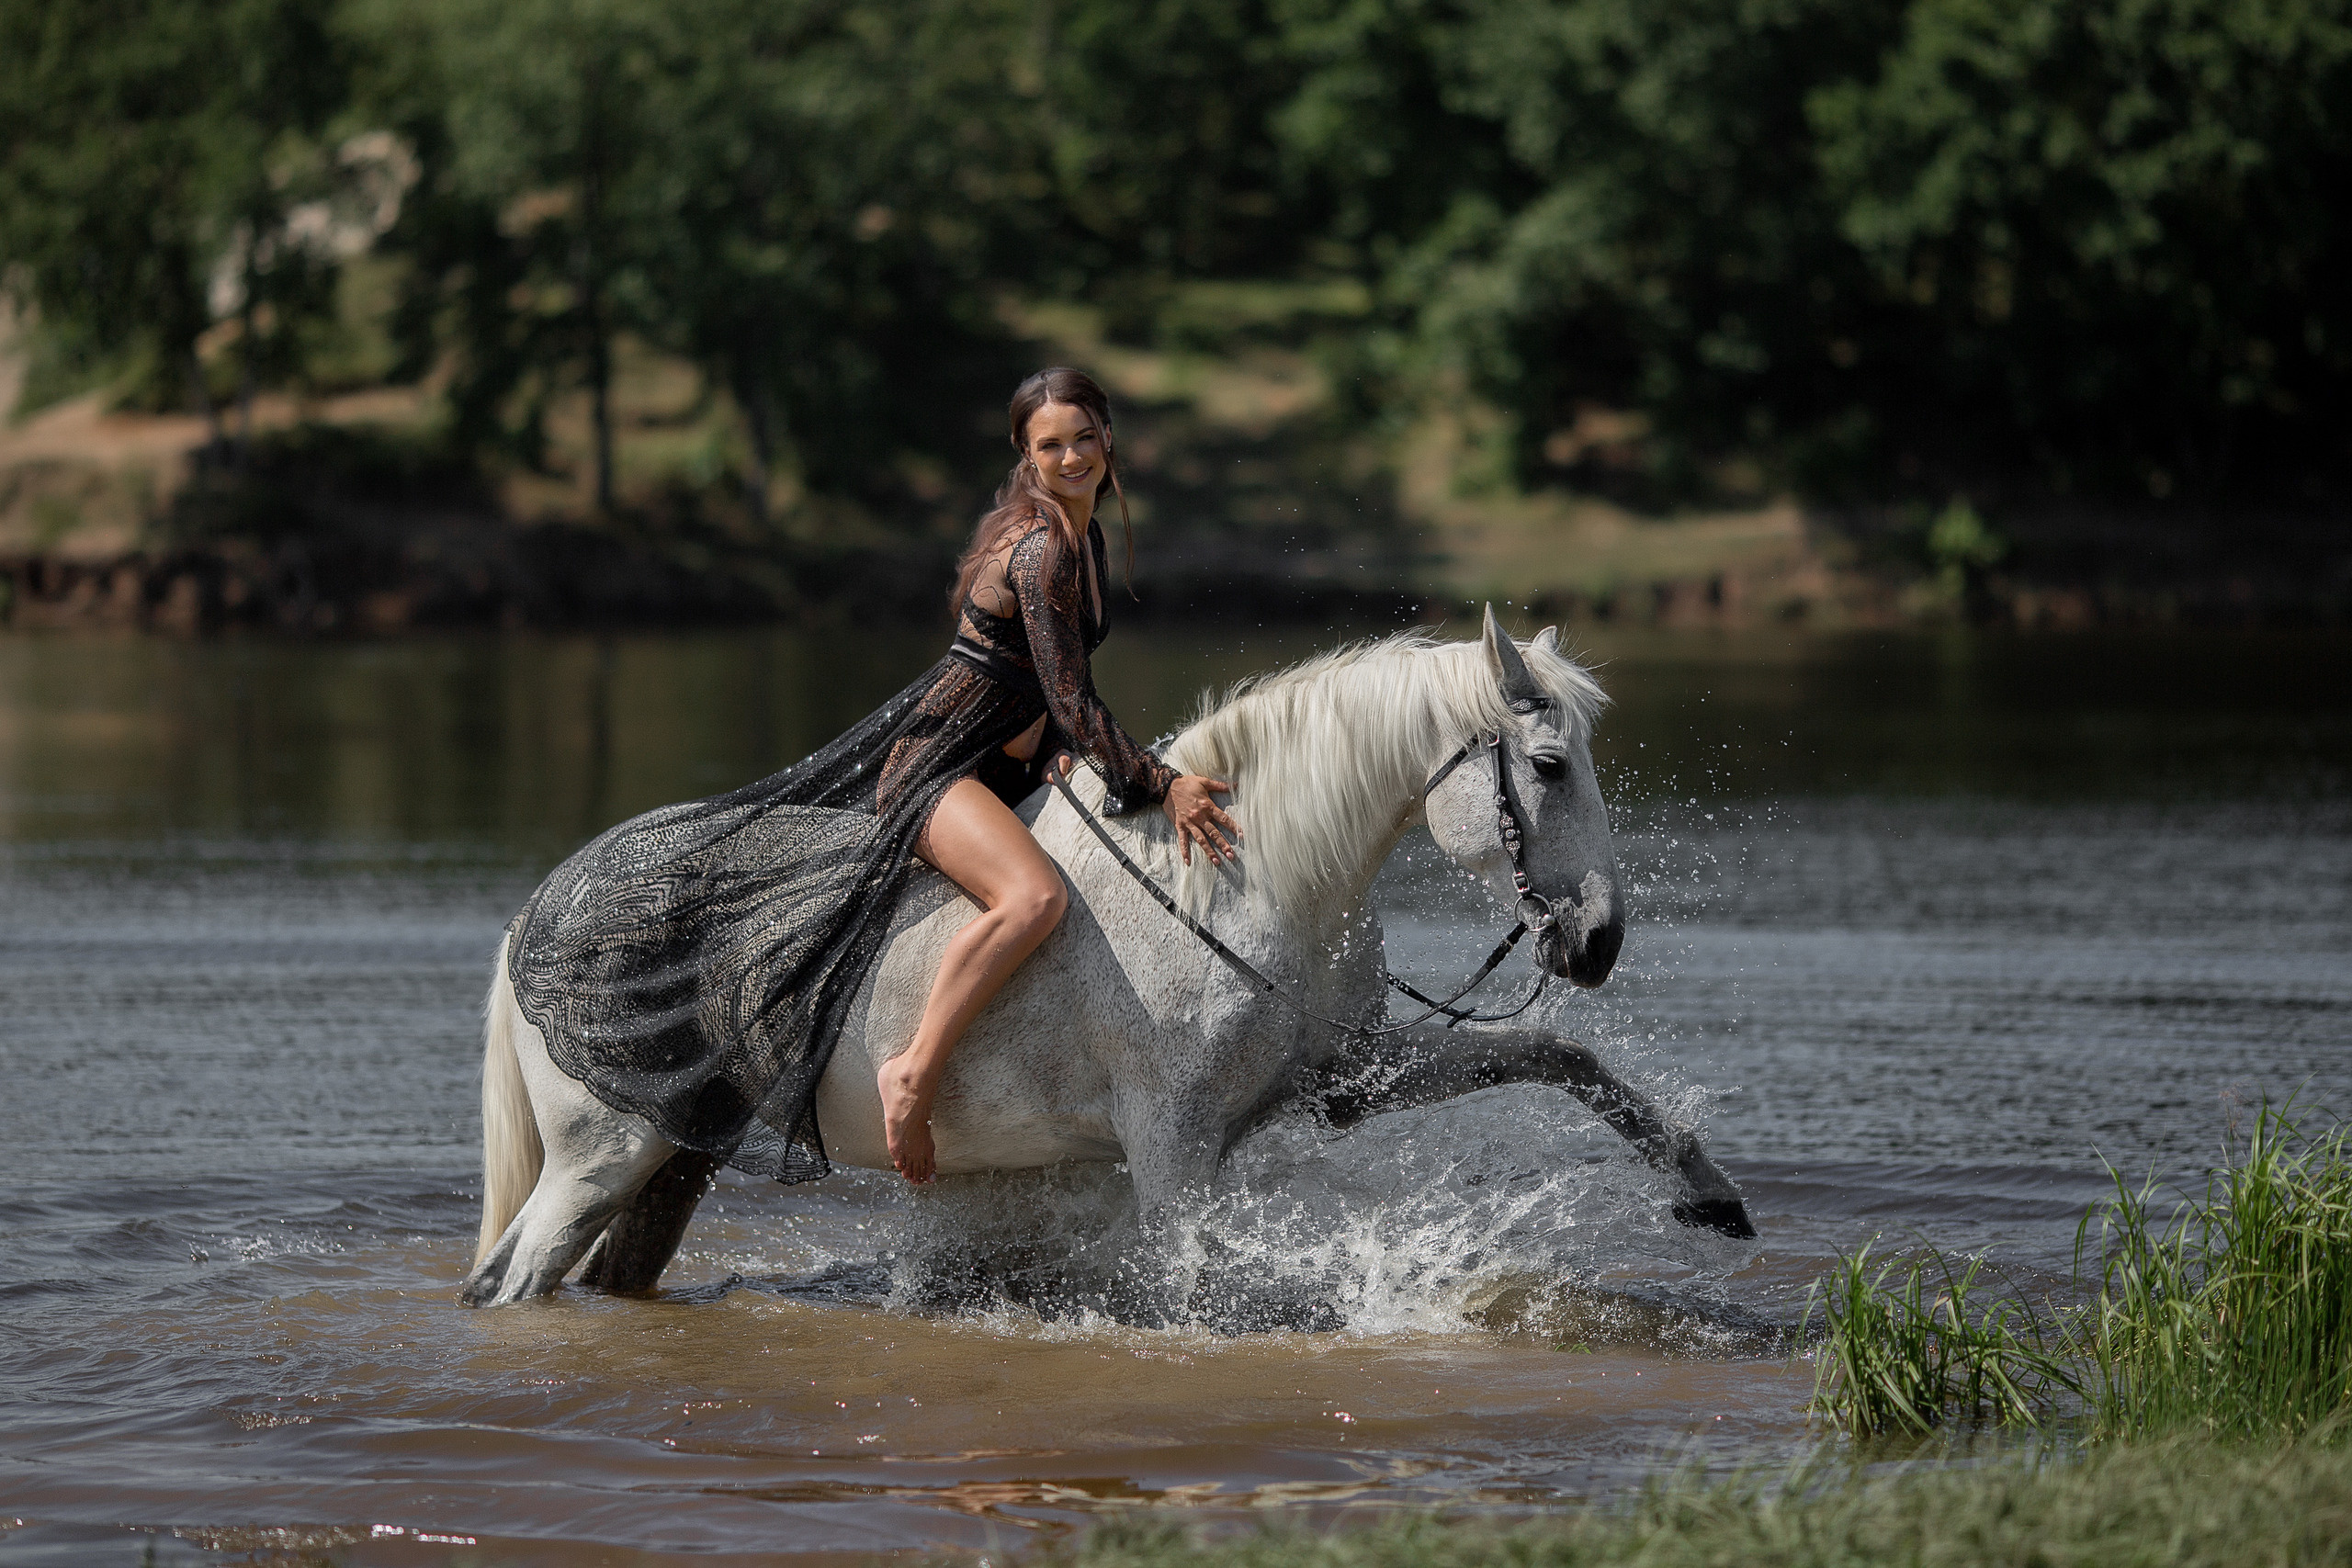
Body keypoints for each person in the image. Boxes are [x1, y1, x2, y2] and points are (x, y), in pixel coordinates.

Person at [503, 367, 1240, 1191]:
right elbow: (1071, 694)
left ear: (1108, 436)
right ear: (1024, 455)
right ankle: (913, 1072)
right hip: (939, 771)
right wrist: (1162, 779)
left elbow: (1033, 689)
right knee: (1035, 899)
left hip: (1006, 762)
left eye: (1084, 437)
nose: (1072, 457)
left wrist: (1049, 759)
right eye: (1050, 445)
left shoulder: (1087, 537)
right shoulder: (1040, 549)